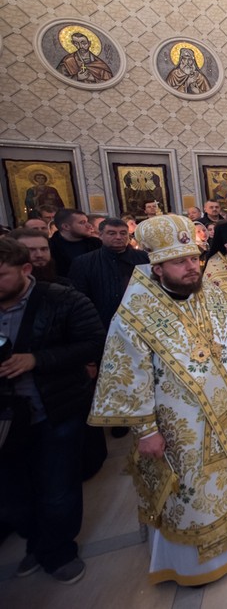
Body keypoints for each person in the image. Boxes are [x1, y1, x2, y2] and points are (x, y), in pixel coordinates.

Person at [88, 215, 227, 585]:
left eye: (193, 259)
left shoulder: (211, 295)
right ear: (157, 268)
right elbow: (129, 375)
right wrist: (145, 431)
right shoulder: (135, 312)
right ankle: (195, 564)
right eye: (179, 262)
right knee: (191, 488)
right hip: (178, 423)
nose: (191, 268)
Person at [0, 238, 105, 585]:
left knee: (58, 487)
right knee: (12, 493)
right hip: (4, 419)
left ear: (25, 269)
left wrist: (37, 359)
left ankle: (59, 551)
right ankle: (35, 542)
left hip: (54, 408)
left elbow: (93, 341)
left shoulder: (61, 298)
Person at [68, 218, 149, 329]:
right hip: (101, 322)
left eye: (123, 233)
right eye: (112, 233)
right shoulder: (84, 262)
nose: (118, 237)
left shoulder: (144, 258)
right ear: (100, 235)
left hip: (140, 319)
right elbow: (79, 296)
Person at [48, 209, 101, 278]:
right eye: (82, 222)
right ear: (66, 227)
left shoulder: (96, 243)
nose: (89, 225)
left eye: (87, 221)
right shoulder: (49, 247)